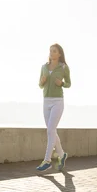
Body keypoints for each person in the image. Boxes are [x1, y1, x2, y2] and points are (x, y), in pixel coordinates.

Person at [37, 43, 71, 172]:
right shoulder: (44, 67)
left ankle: (47, 160)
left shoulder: (63, 68)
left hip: (57, 101)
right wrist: (42, 82)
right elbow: (39, 85)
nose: (51, 53)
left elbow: (69, 84)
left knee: (50, 130)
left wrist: (61, 83)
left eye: (54, 51)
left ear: (59, 54)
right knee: (52, 130)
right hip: (46, 101)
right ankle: (62, 155)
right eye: (50, 51)